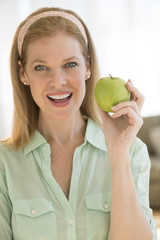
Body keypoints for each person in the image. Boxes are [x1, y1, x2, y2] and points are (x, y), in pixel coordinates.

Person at [0, 6, 157, 240]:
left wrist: (119, 154)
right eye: (41, 67)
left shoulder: (132, 152)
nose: (58, 81)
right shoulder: (5, 161)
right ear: (23, 73)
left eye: (70, 64)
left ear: (88, 66)